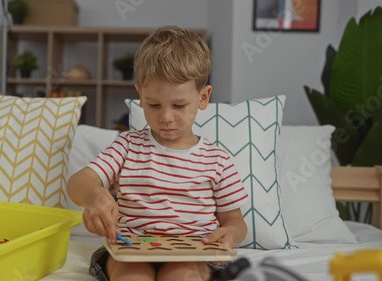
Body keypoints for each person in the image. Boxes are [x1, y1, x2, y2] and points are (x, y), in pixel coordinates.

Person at [67, 25, 249, 281]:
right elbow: (78, 183)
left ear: (204, 97)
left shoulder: (217, 160)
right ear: (140, 95)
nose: (165, 117)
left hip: (192, 252)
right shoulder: (127, 146)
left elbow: (235, 221)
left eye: (179, 105)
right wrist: (96, 195)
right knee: (132, 276)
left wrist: (231, 233)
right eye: (154, 105)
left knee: (181, 275)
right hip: (130, 248)